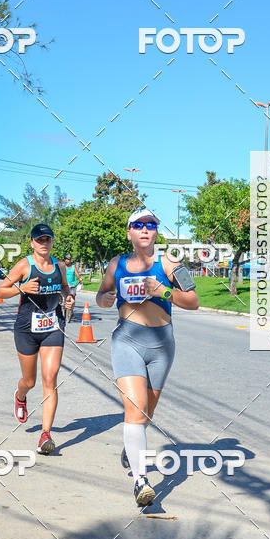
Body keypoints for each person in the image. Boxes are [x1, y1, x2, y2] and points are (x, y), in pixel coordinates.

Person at [96, 208, 199, 507]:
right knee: (136, 408)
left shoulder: (170, 264)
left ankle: (132, 447)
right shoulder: (116, 265)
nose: (144, 230)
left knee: (145, 413)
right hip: (127, 340)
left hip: (162, 345)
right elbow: (102, 296)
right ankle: (141, 480)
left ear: (156, 232)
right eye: (138, 225)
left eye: (150, 225)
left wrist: (163, 292)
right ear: (129, 232)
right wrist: (106, 298)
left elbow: (193, 301)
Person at [0, 224, 73, 455]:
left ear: (51, 243)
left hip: (53, 326)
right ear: (31, 243)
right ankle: (20, 397)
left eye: (47, 239)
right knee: (29, 382)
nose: (43, 243)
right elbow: (0, 291)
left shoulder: (59, 266)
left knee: (50, 378)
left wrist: (68, 298)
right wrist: (21, 288)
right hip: (26, 328)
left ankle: (45, 435)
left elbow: (65, 289)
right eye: (39, 240)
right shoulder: (23, 265)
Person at [63, 253, 81, 319]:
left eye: (68, 259)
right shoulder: (63, 267)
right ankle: (63, 309)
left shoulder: (73, 267)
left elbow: (77, 274)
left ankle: (71, 312)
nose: (67, 261)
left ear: (71, 260)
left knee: (72, 298)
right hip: (64, 285)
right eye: (66, 259)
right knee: (64, 298)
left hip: (72, 285)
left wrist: (80, 278)